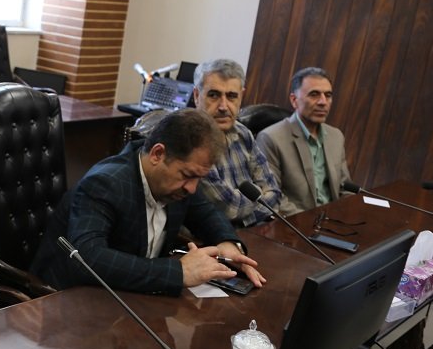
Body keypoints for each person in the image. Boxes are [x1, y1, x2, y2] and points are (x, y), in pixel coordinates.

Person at [32, 108, 264, 295]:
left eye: (199, 179)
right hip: (67, 299)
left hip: (132, 297)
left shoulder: (178, 184)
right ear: (157, 154)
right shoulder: (105, 184)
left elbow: (207, 214)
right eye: (187, 175)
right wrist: (178, 272)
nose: (192, 188)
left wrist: (228, 244)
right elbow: (88, 259)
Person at [192, 58, 281, 226]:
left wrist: (246, 216)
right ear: (197, 96)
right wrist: (260, 204)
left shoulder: (243, 133)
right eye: (214, 95)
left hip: (257, 230)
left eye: (232, 96)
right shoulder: (191, 139)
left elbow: (274, 192)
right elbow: (229, 208)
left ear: (241, 97)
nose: (223, 106)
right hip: (216, 236)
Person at [256, 67, 351, 216]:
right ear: (294, 100)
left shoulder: (336, 136)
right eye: (314, 94)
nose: (323, 102)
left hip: (333, 220)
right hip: (296, 222)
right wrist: (313, 221)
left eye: (328, 95)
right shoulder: (271, 138)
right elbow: (273, 198)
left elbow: (346, 189)